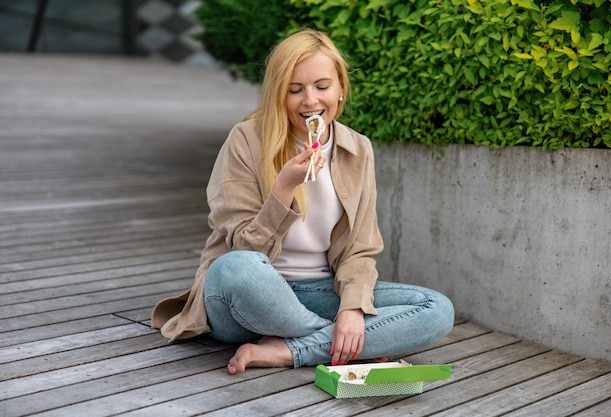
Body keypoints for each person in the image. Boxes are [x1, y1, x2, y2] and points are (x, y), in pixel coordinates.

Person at [151, 29, 454, 375]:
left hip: (318, 291)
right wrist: (282, 190)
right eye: (295, 90)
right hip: (244, 296)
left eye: (322, 87)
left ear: (341, 89)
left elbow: (359, 250)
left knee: (436, 308)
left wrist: (352, 309)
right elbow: (243, 248)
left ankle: (288, 350)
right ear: (278, 94)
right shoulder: (245, 140)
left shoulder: (358, 149)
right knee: (236, 268)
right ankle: (348, 346)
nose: (310, 101)